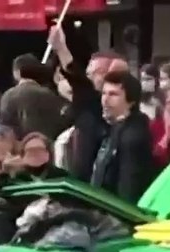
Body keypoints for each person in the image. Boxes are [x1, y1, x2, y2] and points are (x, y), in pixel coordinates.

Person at [47, 23, 131, 183]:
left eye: (95, 73)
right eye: (88, 73)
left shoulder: (102, 104)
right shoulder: (88, 101)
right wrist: (61, 49)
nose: (89, 77)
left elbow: (78, 80)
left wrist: (62, 48)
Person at [91, 70, 156, 204]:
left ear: (131, 101)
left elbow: (129, 187)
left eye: (113, 94)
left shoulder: (133, 136)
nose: (105, 100)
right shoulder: (114, 128)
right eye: (104, 93)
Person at [0, 53, 68, 144]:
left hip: (21, 148)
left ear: (17, 73)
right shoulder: (48, 94)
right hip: (47, 146)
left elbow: (4, 129)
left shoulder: (8, 96)